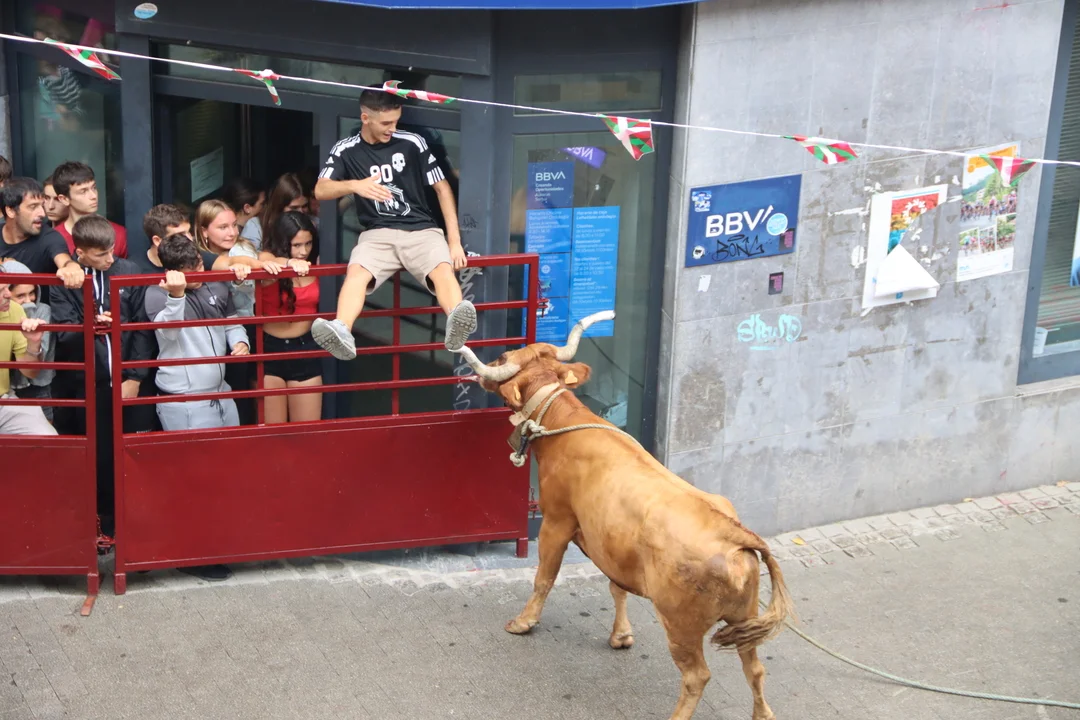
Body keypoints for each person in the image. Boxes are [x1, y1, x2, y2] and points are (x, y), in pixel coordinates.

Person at [311, 89, 475, 360]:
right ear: (365, 118)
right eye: (386, 123)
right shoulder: (346, 149)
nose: (393, 128)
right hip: (377, 233)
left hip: (422, 229)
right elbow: (321, 190)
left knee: (442, 268)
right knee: (357, 272)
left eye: (396, 121)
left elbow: (443, 189)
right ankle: (341, 330)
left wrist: (454, 241)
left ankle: (456, 320)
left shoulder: (413, 142)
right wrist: (355, 186)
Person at [50, 216, 153, 537]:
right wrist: (93, 325)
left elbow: (143, 328)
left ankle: (131, 527)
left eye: (112, 251)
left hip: (128, 382)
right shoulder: (64, 280)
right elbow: (65, 334)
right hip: (85, 387)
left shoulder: (129, 271)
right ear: (80, 252)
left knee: (133, 456)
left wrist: (135, 377)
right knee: (95, 457)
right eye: (101, 254)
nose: (110, 259)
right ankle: (101, 526)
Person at [143, 234, 249, 432]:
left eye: (200, 266)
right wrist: (176, 296)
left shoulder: (215, 284)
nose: (199, 274)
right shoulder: (155, 293)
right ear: (171, 273)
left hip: (222, 391)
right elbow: (170, 333)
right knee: (193, 453)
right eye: (191, 273)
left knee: (233, 449)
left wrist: (240, 341)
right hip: (183, 400)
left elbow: (232, 324)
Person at [258, 212, 319, 423]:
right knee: (272, 433)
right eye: (296, 245)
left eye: (308, 243)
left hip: (305, 346)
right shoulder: (270, 261)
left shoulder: (316, 262)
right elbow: (263, 260)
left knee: (306, 432)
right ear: (283, 243)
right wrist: (288, 262)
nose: (303, 251)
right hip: (270, 348)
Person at [1, 178, 86, 303]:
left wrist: (72, 267)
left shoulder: (50, 237)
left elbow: (64, 261)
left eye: (41, 205)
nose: (42, 213)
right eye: (33, 207)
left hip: (38, 313)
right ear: (11, 211)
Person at [0, 266, 54, 435]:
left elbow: (30, 372)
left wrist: (33, 343)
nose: (8, 294)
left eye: (8, 288)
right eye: (1, 290)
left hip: (4, 402)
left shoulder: (15, 310)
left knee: (49, 438)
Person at [51, 161, 128, 258]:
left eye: (94, 188)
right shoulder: (54, 238)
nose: (93, 196)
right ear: (64, 199)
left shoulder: (119, 234)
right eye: (83, 191)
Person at [240, 173, 311, 251]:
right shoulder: (256, 226)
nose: (300, 212)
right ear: (279, 206)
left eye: (304, 206)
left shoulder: (314, 223)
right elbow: (246, 255)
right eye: (294, 208)